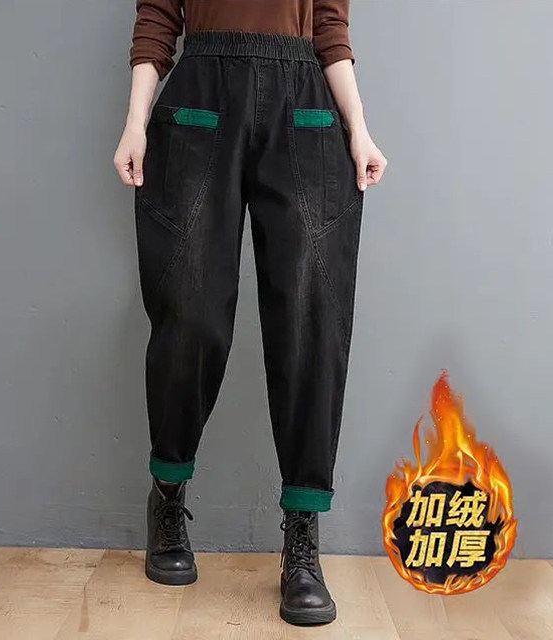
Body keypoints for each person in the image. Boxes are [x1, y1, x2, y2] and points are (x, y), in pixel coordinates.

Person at [114, 0, 387, 626]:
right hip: (200, 95)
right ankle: (168, 493)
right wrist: (135, 123)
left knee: (311, 321)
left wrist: (359, 127)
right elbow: (157, 18)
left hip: (304, 104)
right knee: (190, 312)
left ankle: (303, 538)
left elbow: (329, 28)